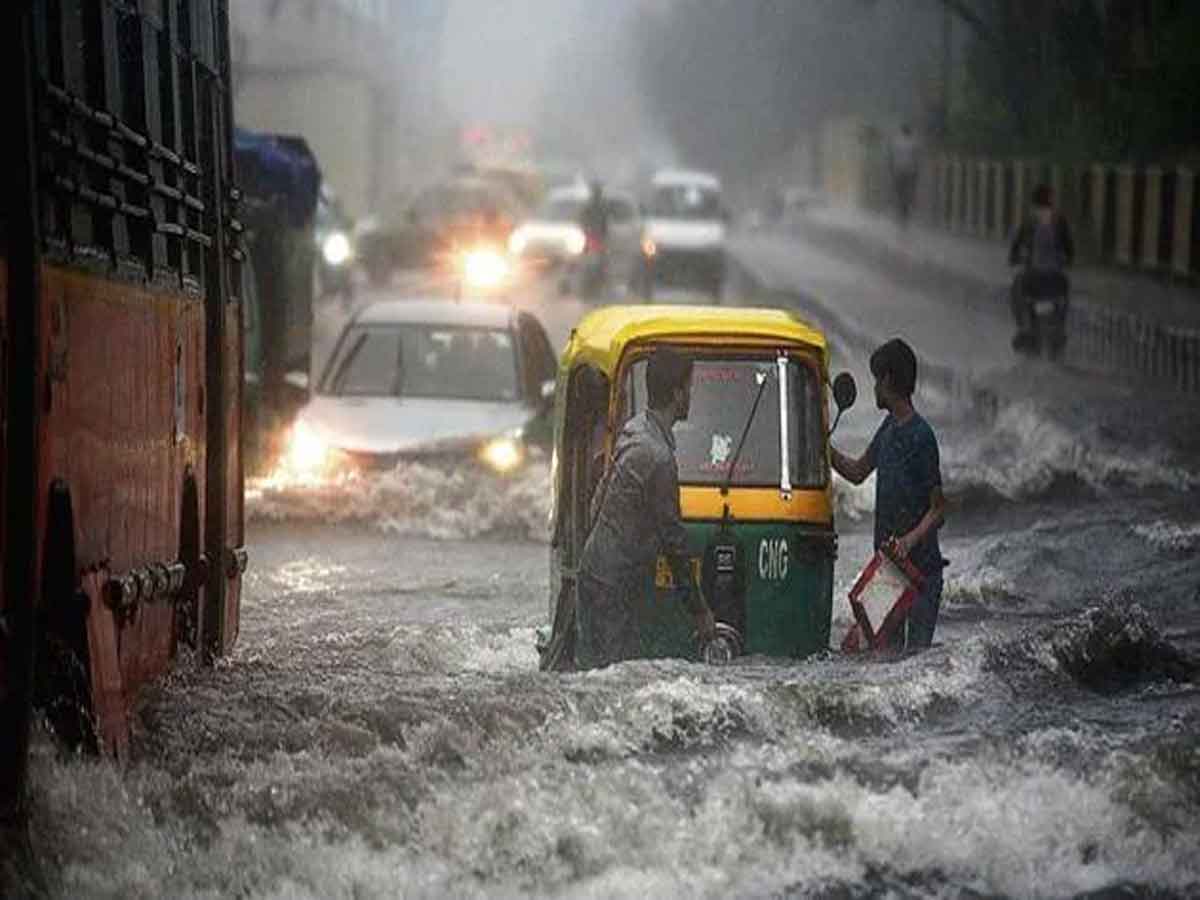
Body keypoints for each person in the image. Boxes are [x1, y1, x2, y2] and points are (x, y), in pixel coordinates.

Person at [576, 347, 717, 668]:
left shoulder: (635, 429)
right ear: (678, 393)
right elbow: (675, 543)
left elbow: (599, 496)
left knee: (598, 675)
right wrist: (700, 611)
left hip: (596, 572)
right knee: (611, 679)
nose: (691, 395)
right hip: (611, 586)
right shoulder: (659, 458)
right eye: (690, 387)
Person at [831, 338, 946, 651]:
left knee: (916, 661)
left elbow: (939, 509)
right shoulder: (888, 427)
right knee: (873, 657)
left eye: (876, 380)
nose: (874, 389)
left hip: (921, 575)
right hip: (889, 570)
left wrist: (909, 541)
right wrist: (823, 449)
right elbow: (856, 473)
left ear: (888, 380)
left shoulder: (921, 436)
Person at [1008, 183, 1074, 353]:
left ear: (1034, 202)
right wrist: (1066, 260)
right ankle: (1060, 327)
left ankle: (1025, 327)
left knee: (1017, 291)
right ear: (1051, 201)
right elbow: (1069, 249)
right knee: (1064, 295)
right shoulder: (1060, 219)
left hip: (1033, 277)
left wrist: (1014, 259)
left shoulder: (1029, 220)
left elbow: (1016, 246)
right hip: (1056, 278)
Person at [889, 123, 919, 227]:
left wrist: (891, 169)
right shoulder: (913, 143)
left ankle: (900, 212)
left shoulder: (896, 142)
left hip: (898, 170)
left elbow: (891, 157)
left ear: (901, 131)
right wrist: (916, 170)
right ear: (909, 132)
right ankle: (906, 211)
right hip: (910, 171)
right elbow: (916, 158)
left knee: (899, 192)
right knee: (909, 191)